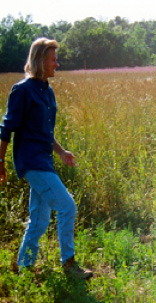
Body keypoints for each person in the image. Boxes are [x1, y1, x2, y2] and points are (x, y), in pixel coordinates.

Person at [0, 38, 93, 280]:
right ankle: (69, 265)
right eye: (53, 59)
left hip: (44, 161)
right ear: (41, 60)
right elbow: (6, 129)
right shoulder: (22, 90)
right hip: (31, 162)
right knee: (67, 207)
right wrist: (0, 162)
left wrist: (61, 152)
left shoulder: (47, 91)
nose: (57, 64)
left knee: (40, 220)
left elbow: (43, 132)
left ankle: (25, 267)